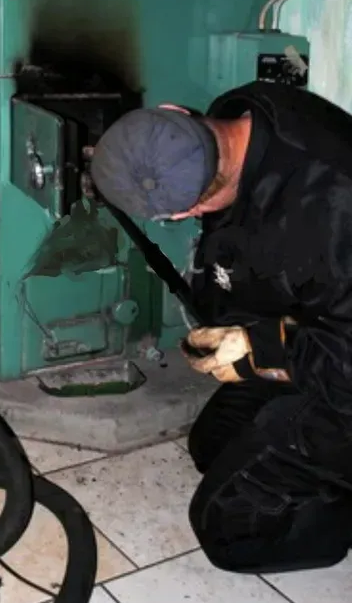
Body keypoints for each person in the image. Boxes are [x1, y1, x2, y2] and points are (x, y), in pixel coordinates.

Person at [89, 79, 352, 575]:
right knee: (214, 445)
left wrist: (263, 349)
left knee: (231, 532)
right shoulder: (248, 114)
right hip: (326, 334)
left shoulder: (331, 211)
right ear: (174, 109)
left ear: (186, 212)